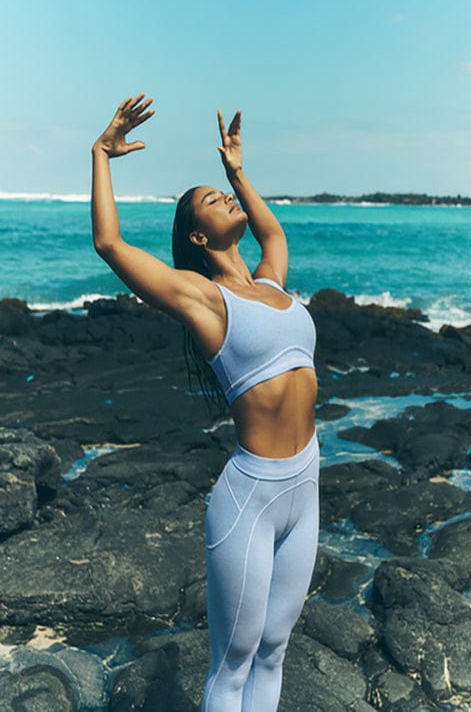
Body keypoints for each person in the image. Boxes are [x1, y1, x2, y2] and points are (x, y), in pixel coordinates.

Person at [91, 93, 320, 711]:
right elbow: (111, 246)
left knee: (275, 649)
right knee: (234, 662)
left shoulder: (272, 280)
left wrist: (236, 171)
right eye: (212, 201)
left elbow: (272, 230)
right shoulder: (203, 299)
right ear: (198, 234)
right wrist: (101, 155)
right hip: (252, 498)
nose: (225, 201)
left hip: (307, 485)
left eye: (224, 196)